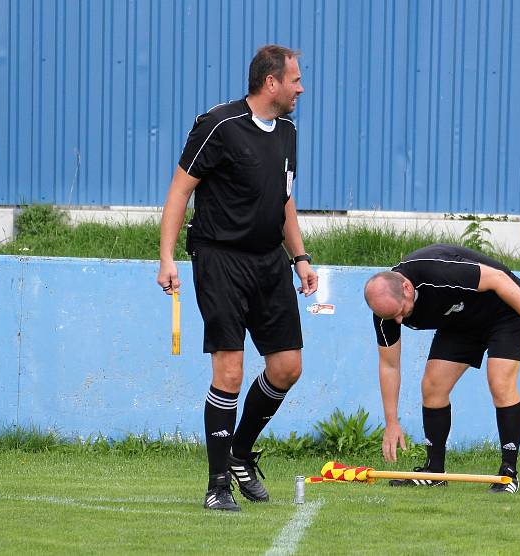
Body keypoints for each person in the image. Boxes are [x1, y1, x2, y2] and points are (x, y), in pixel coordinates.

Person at [157, 45, 318, 512]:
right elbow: (179, 191)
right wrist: (166, 258)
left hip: (270, 261)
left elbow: (283, 200)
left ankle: (240, 453)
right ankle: (216, 487)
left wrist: (301, 257)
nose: (300, 88)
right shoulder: (219, 125)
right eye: (295, 80)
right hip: (220, 258)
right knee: (229, 370)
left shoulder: (287, 131)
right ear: (272, 82)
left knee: (288, 366)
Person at [364, 244, 520, 493]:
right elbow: (389, 365)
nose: (399, 321)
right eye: (393, 318)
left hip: (505, 310)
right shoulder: (385, 312)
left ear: (406, 287)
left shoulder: (435, 271)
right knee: (433, 386)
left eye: (401, 312)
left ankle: (509, 473)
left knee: (500, 383)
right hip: (460, 320)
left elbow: (499, 279)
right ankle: (434, 472)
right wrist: (391, 422)